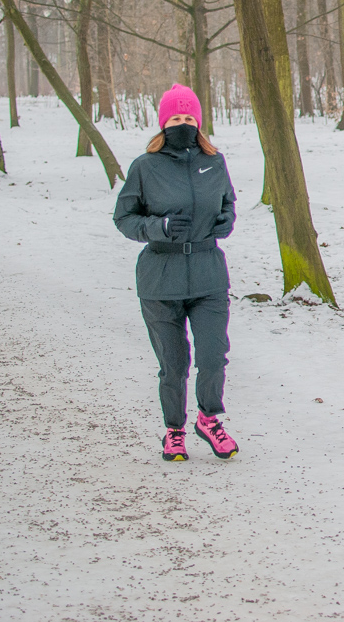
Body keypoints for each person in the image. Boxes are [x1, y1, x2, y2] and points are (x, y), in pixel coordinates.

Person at [114, 84, 239, 462]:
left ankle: (208, 418)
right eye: (175, 119)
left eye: (188, 118)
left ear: (198, 122)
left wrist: (226, 221)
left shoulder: (213, 161)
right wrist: (160, 228)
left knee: (214, 354)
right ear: (162, 123)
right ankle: (174, 430)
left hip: (208, 273)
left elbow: (228, 202)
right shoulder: (144, 166)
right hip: (160, 277)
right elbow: (124, 218)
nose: (182, 124)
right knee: (174, 364)